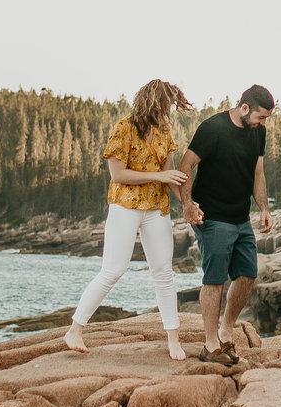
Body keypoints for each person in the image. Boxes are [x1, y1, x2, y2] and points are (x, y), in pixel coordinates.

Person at [67, 79, 193, 359]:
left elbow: (169, 173)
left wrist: (189, 202)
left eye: (169, 107)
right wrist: (158, 177)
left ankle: (173, 339)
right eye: (164, 106)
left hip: (156, 208)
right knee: (113, 269)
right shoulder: (124, 127)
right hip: (125, 205)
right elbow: (118, 175)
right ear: (150, 103)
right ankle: (75, 329)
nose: (167, 112)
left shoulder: (164, 131)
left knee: (163, 272)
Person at [180, 84, 275, 354]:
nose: (263, 122)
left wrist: (264, 208)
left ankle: (226, 329)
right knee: (215, 280)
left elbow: (258, 172)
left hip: (240, 217)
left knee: (246, 275)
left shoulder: (259, 132)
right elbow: (185, 166)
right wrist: (187, 205)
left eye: (266, 118)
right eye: (260, 116)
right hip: (212, 218)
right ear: (244, 108)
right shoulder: (212, 129)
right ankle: (210, 344)